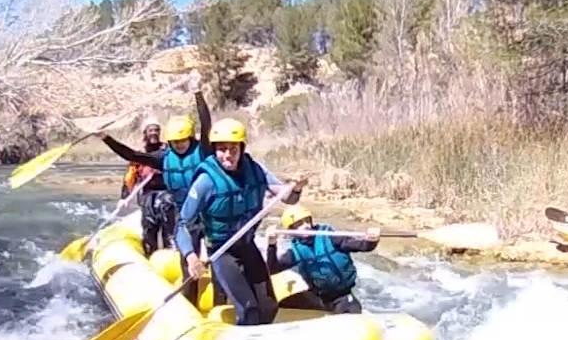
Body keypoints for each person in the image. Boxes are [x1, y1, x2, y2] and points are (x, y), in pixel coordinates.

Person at [174, 118, 303, 326]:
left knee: (269, 306)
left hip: (247, 246)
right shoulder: (206, 181)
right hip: (222, 251)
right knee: (249, 309)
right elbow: (182, 224)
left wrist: (295, 187)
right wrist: (191, 258)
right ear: (215, 150)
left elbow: (289, 198)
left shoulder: (256, 170)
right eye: (222, 149)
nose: (227, 155)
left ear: (242, 148)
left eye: (233, 149)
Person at [100, 89, 213, 302]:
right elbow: (132, 155)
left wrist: (197, 94)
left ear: (190, 138)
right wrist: (106, 138)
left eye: (183, 140)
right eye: (175, 141)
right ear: (169, 141)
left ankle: (221, 302)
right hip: (185, 216)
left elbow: (206, 123)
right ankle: (189, 303)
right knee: (188, 263)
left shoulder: (203, 150)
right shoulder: (163, 158)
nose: (179, 144)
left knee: (217, 260)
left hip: (211, 211)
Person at [264, 205, 377, 314]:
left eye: (307, 221)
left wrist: (371, 240)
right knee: (283, 304)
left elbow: (364, 246)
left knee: (349, 312)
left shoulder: (332, 237)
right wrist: (272, 245)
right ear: (291, 230)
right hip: (318, 298)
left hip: (341, 296)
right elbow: (272, 269)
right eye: (299, 224)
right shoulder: (295, 251)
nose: (306, 226)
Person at [117, 117, 163, 200]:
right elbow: (129, 178)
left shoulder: (166, 150)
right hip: (146, 193)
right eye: (151, 130)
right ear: (145, 133)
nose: (154, 133)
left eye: (156, 130)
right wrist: (124, 198)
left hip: (164, 191)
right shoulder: (139, 155)